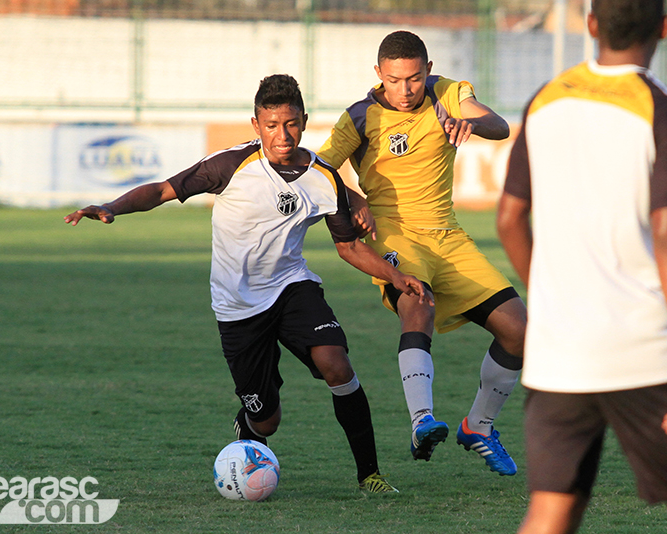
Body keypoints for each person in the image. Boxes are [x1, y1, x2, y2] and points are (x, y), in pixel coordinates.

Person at [65, 74, 434, 494]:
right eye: (272, 125)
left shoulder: (324, 178)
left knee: (337, 363)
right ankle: (249, 424)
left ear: (304, 121)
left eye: (291, 123)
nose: (283, 135)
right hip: (238, 307)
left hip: (292, 288)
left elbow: (348, 247)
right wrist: (111, 207)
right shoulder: (230, 165)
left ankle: (370, 475)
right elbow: (164, 189)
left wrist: (396, 276)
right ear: (256, 125)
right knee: (266, 420)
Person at [497, 1, 667, 532]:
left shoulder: (544, 101)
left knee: (552, 509)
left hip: (560, 352)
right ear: (665, 28)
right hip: (643, 349)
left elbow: (510, 218)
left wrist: (553, 302)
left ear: (591, 24)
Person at [317, 30, 525, 476]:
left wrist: (471, 123)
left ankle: (480, 426)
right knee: (418, 303)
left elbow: (497, 124)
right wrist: (354, 199)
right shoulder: (359, 117)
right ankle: (421, 421)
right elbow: (320, 170)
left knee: (520, 332)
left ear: (427, 70)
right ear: (379, 75)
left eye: (414, 78)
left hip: (448, 236)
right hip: (393, 235)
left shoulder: (448, 94)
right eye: (395, 79)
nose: (406, 89)